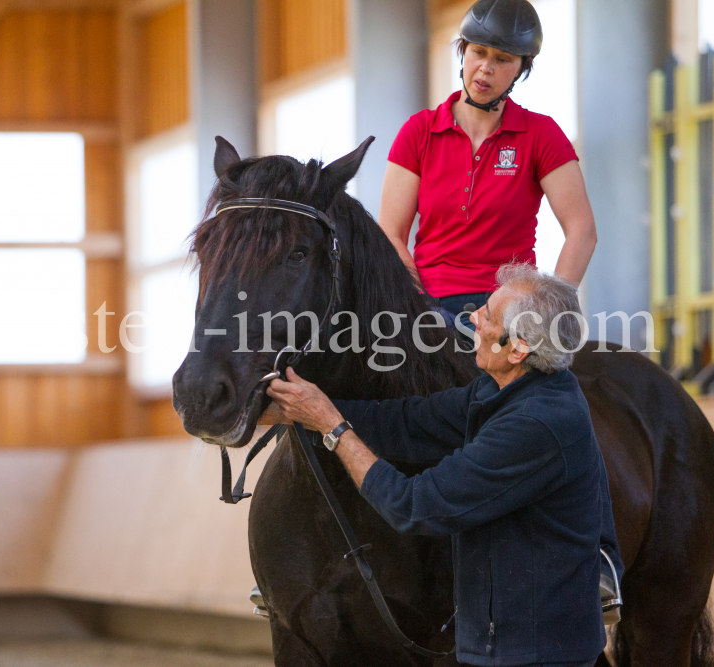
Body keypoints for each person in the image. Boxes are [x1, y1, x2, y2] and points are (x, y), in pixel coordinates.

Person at [262, 265, 623, 666]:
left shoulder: (534, 425)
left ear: (518, 348)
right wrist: (294, 411)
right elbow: (407, 421)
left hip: (533, 654)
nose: (472, 319)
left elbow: (414, 506)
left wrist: (332, 428)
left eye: (487, 315)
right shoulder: (503, 388)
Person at [378, 0, 596, 325]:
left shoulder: (541, 134)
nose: (486, 68)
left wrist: (546, 310)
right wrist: (416, 302)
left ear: (522, 68)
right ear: (463, 51)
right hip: (429, 303)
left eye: (503, 59)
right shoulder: (418, 132)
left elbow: (582, 230)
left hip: (508, 309)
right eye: (478, 52)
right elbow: (391, 233)